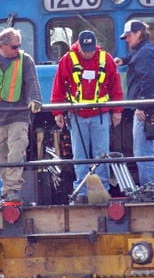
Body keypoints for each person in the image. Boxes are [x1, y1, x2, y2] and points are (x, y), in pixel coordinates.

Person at [50, 29, 124, 202]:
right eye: (85, 49)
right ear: (79, 46)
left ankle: (102, 190)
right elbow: (58, 87)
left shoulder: (106, 59)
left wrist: (117, 111)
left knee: (101, 154)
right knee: (79, 154)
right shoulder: (67, 60)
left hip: (101, 114)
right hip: (77, 116)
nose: (89, 53)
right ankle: (81, 192)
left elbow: (116, 86)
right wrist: (57, 112)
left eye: (91, 49)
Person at [0, 28, 42, 203]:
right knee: (1, 154)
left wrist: (35, 100)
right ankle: (7, 189)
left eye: (19, 46)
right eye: (14, 46)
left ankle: (12, 190)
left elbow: (32, 82)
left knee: (17, 152)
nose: (17, 49)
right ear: (2, 46)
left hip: (18, 116)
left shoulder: (25, 60)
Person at [115, 19, 154, 184]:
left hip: (147, 109)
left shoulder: (144, 53)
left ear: (138, 34)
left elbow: (148, 79)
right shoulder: (144, 51)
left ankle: (152, 188)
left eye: (129, 36)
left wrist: (141, 106)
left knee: (143, 152)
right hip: (152, 107)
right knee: (147, 152)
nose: (127, 40)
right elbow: (137, 59)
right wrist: (124, 59)